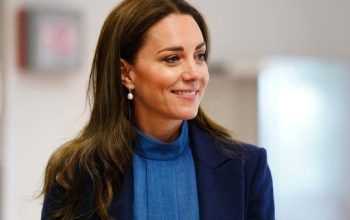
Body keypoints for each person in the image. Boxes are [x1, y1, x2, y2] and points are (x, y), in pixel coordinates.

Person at [41, 0, 275, 219]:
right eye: (172, 58)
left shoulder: (247, 168)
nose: (194, 73)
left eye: (199, 56)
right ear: (125, 73)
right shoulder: (76, 174)